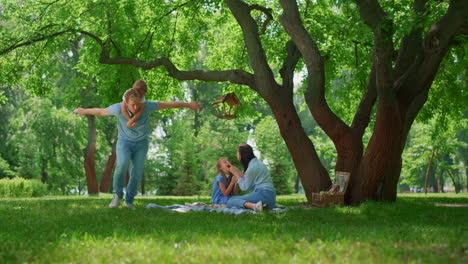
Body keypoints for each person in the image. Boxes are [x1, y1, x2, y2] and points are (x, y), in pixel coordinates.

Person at [74, 84, 200, 209]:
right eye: (132, 105)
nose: (135, 107)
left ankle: (129, 201)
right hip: (124, 142)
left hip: (141, 143)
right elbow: (101, 111)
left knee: (137, 172)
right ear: (126, 103)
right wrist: (83, 111)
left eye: (137, 104)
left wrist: (188, 105)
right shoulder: (118, 108)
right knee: (122, 164)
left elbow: (169, 104)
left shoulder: (147, 106)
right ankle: (117, 196)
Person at [224, 144, 276, 212]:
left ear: (242, 155)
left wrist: (236, 174)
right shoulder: (256, 163)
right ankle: (260, 205)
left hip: (264, 195)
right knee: (237, 199)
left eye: (237, 152)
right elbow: (249, 183)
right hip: (270, 197)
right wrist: (237, 172)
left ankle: (254, 206)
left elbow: (244, 187)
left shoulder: (251, 168)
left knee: (231, 201)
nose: (236, 154)